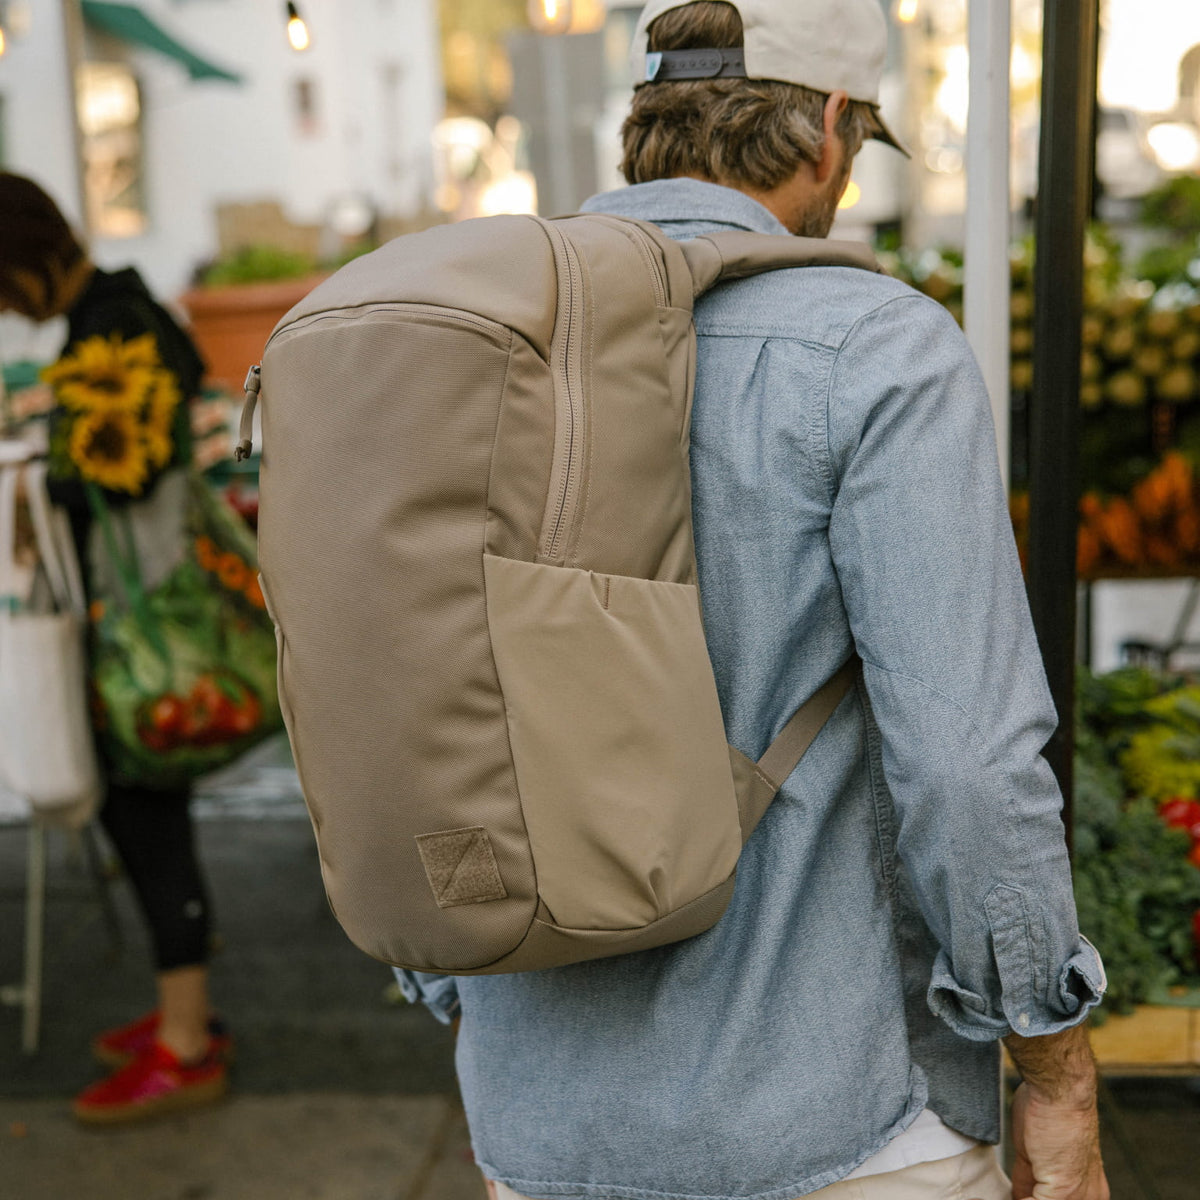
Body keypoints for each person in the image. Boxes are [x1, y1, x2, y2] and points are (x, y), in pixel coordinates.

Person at [397, 3, 1111, 1199]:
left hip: (533, 1121)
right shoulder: (877, 346)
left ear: (643, 119)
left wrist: (453, 990)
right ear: (829, 128)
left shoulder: (465, 340)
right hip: (840, 1128)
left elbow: (394, 696)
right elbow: (969, 767)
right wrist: (1055, 1072)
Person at [0, 171, 231, 1124]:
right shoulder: (127, 310)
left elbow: (114, 481)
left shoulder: (112, 331)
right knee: (147, 812)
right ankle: (186, 1018)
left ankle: (186, 1045)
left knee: (146, 813)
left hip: (140, 624)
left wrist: (40, 485)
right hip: (154, 612)